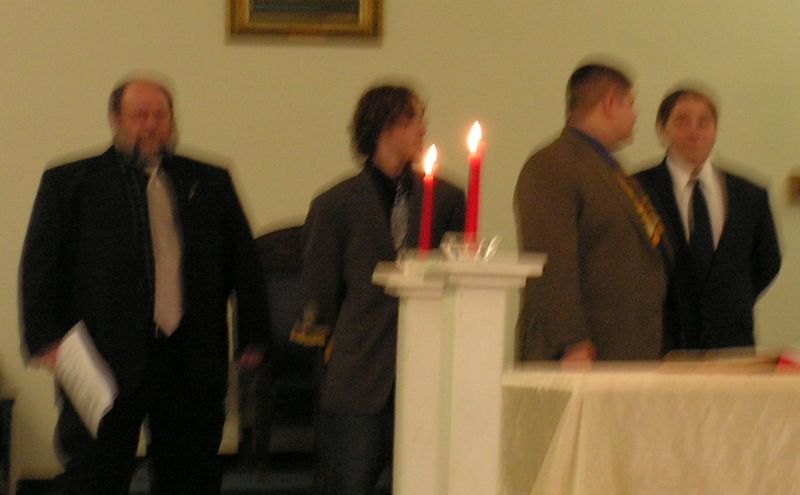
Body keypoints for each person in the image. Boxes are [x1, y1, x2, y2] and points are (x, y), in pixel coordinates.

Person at [20, 75, 269, 494]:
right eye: (139, 115)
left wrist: (253, 336)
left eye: (160, 115)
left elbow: (244, 264)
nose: (151, 125)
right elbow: (40, 266)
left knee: (190, 477)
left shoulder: (210, 181)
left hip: (190, 358)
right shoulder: (70, 183)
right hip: (102, 357)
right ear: (115, 119)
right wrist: (44, 338)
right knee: (95, 477)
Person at [296, 84, 465, 494]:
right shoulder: (336, 204)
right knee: (351, 480)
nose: (423, 128)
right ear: (384, 125)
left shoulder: (446, 198)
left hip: (428, 360)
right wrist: (330, 349)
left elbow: (458, 272)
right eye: (413, 118)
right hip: (361, 366)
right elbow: (321, 289)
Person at [514, 63, 668, 362]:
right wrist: (571, 342)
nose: (635, 113)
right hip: (583, 353)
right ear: (610, 103)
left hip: (624, 348)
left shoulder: (608, 168)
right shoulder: (553, 164)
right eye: (630, 103)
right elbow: (551, 260)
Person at [634, 87, 781, 351]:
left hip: (731, 340)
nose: (694, 132)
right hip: (663, 340)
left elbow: (767, 261)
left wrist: (731, 298)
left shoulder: (750, 195)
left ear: (715, 129)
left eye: (704, 122)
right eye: (682, 122)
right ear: (662, 129)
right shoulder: (638, 190)